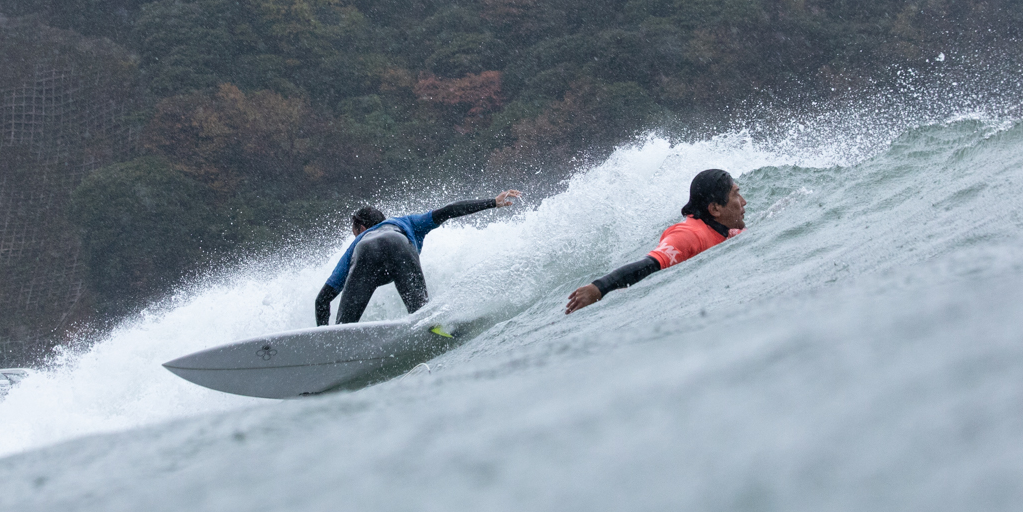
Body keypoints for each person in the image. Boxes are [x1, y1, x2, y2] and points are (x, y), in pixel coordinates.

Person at [316, 189, 522, 325]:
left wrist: (320, 336)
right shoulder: (409, 222)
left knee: (342, 330)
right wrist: (492, 202)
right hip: (399, 244)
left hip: (365, 253)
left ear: (361, 229)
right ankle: (435, 331)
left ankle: (330, 351)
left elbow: (322, 300)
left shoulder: (358, 243)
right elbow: (449, 211)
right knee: (422, 319)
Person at [565, 169, 746, 314]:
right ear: (715, 209)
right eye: (736, 195)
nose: (744, 202)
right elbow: (649, 264)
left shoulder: (727, 230)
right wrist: (599, 288)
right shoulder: (688, 235)